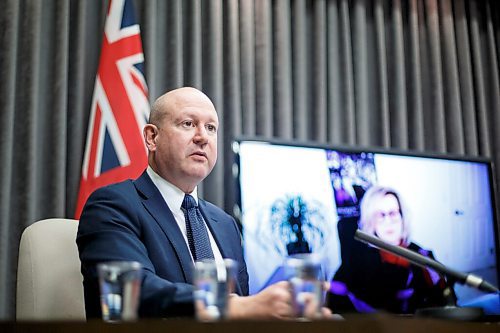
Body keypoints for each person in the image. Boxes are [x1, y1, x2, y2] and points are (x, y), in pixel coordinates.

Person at [77, 87, 327, 320]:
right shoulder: (113, 205)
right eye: (188, 124)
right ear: (152, 137)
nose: (202, 137)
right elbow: (130, 291)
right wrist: (232, 305)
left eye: (211, 128)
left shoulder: (225, 224)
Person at [327, 185, 456, 314]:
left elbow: (446, 299)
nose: (388, 221)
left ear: (402, 217)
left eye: (393, 213)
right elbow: (336, 297)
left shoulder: (422, 255)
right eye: (380, 215)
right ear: (371, 221)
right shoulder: (356, 258)